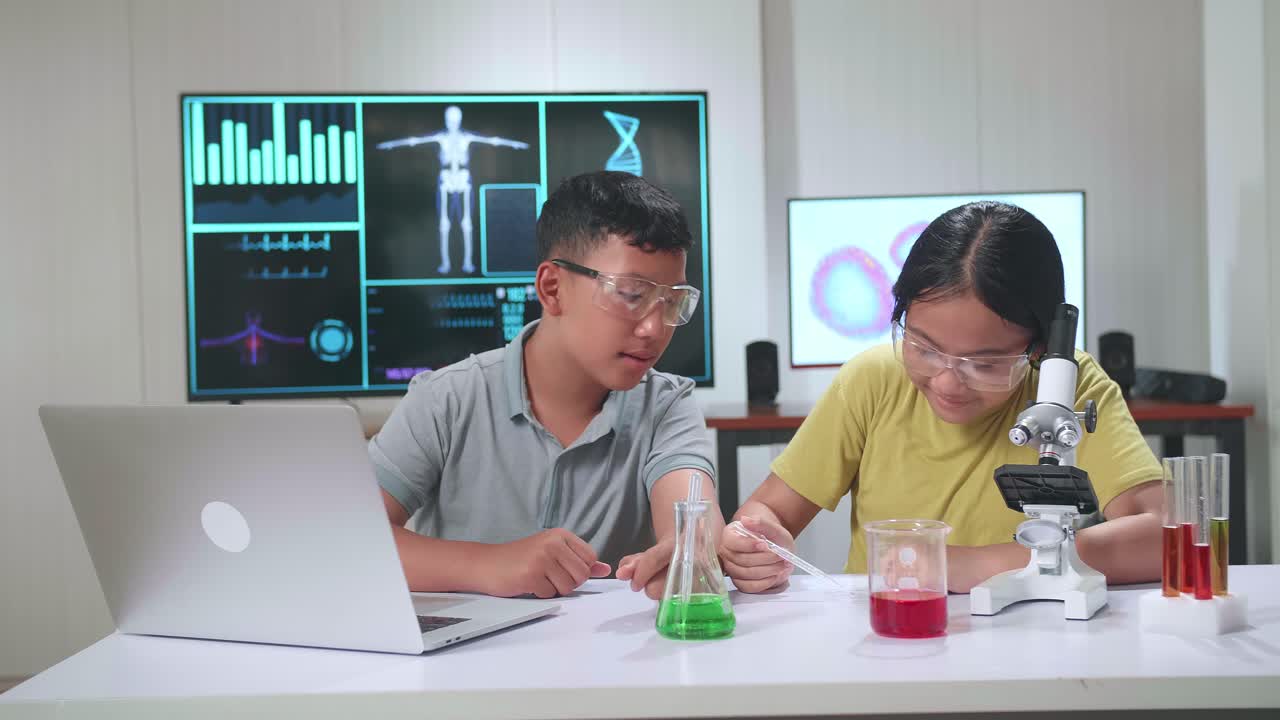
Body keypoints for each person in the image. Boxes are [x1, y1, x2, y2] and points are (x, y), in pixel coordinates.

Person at [721, 201, 1162, 593]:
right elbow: (766, 511)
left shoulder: (1068, 386)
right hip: (890, 629)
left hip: (1028, 638)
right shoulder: (872, 381)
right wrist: (755, 543)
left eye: (984, 364)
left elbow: (1168, 534)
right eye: (924, 348)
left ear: (1040, 350)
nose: (948, 383)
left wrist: (972, 565)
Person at [370, 170, 722, 600]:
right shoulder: (446, 400)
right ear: (552, 288)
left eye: (671, 302)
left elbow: (694, 519)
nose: (653, 328)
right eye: (631, 294)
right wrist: (488, 565)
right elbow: (352, 539)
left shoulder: (666, 405)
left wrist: (687, 552)